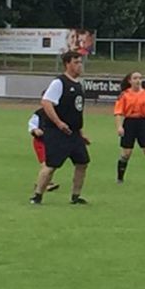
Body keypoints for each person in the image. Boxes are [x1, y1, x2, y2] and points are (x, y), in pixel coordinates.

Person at [31, 50, 91, 205]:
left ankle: (75, 196)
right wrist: (58, 123)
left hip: (74, 133)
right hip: (58, 133)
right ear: (67, 64)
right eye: (76, 62)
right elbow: (46, 102)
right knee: (51, 165)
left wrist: (81, 132)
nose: (80, 66)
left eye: (80, 62)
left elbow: (76, 111)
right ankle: (37, 196)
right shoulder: (59, 82)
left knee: (82, 163)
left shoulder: (79, 84)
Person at [113, 71, 145, 186]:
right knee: (126, 153)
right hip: (129, 123)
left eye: (140, 78)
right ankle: (120, 178)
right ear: (130, 81)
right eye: (135, 78)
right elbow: (118, 112)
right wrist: (119, 126)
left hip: (142, 124)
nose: (138, 80)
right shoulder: (124, 95)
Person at [27, 108, 59, 193]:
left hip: (53, 142)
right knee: (45, 164)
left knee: (51, 163)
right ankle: (46, 184)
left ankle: (41, 183)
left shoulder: (60, 111)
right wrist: (35, 130)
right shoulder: (39, 113)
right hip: (41, 142)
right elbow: (32, 124)